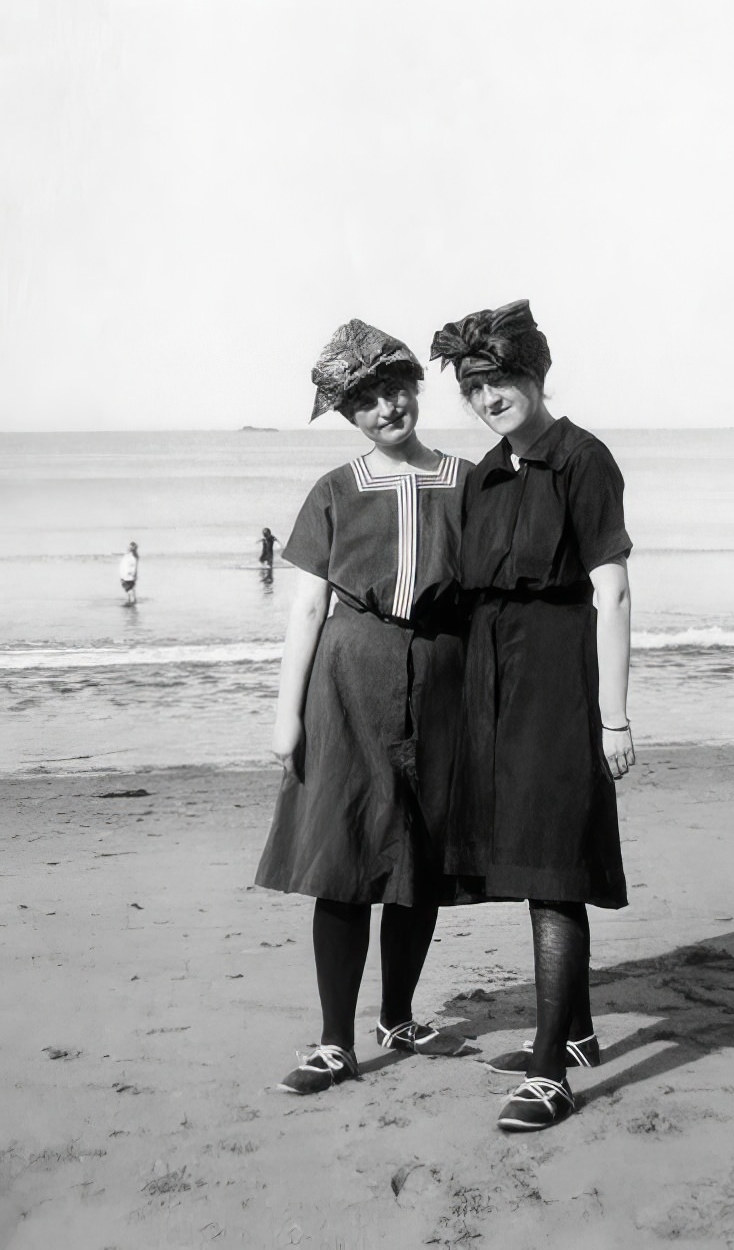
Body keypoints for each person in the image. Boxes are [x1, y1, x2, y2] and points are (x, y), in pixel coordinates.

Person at [430, 299, 634, 1132]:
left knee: (554, 871)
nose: (490, 397)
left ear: (537, 375)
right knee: (522, 860)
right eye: (476, 386)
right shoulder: (484, 473)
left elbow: (614, 590)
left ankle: (551, 1073)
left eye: (503, 379)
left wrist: (613, 717)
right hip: (493, 682)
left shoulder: (584, 460)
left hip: (559, 679)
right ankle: (577, 1032)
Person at [255, 319, 472, 1094]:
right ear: (351, 416)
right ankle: (333, 1043)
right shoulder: (336, 490)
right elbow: (307, 610)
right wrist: (287, 717)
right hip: (349, 680)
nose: (388, 409)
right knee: (344, 859)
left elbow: (487, 602)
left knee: (418, 856)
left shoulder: (468, 480)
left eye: (396, 390)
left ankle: (400, 1017)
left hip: (444, 676)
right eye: (368, 401)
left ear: (417, 387)